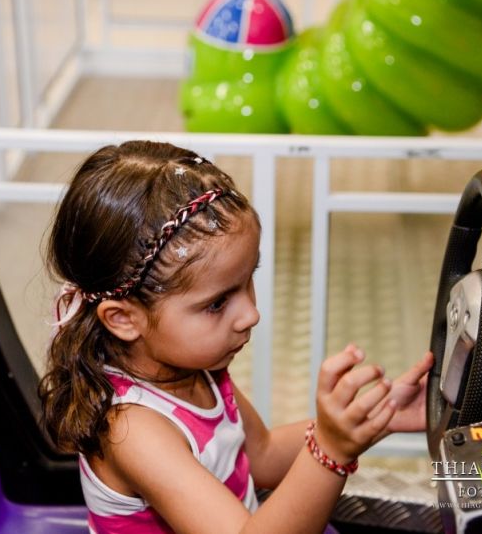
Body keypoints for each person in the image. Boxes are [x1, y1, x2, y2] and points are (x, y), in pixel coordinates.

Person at [39, 140, 434, 534]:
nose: (251, 314)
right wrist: (330, 451)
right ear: (124, 319)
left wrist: (371, 418)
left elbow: (261, 456)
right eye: (216, 303)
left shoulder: (194, 370)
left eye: (248, 282)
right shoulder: (132, 430)